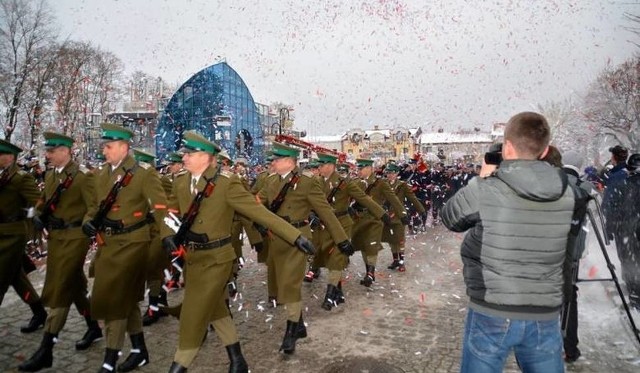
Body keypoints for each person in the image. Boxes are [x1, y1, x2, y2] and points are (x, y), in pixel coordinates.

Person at [160, 132, 316, 372]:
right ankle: (237, 359)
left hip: (218, 260)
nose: (185, 158)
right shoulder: (181, 180)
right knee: (217, 308)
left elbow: (260, 213)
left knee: (192, 315)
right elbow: (169, 211)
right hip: (194, 258)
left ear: (206, 157)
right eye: (185, 153)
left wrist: (296, 237)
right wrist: (167, 233)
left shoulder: (226, 184)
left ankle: (178, 365)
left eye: (190, 154)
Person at [441, 112, 576, 372]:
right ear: (546, 149)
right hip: (544, 312)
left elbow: (450, 218)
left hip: (492, 308)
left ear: (507, 147)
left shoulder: (487, 188)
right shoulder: (567, 191)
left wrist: (483, 178)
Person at [82, 123, 168, 373]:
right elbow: (94, 209)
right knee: (127, 299)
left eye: (108, 146)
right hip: (108, 245)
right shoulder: (100, 175)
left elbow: (161, 209)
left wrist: (168, 238)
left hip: (133, 244)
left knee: (114, 301)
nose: (104, 150)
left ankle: (109, 360)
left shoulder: (143, 173)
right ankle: (140, 350)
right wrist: (88, 222)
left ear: (123, 147)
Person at [19, 132, 103, 372]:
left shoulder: (82, 177)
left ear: (66, 151)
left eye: (52, 151)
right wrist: (37, 214)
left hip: (76, 237)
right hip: (56, 238)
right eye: (48, 151)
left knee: (62, 287)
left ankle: (47, 349)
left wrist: (88, 221)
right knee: (75, 285)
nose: (48, 155)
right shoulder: (50, 174)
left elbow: (93, 206)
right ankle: (94, 326)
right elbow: (44, 199)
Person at [256, 142, 350, 353]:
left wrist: (341, 239)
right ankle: (298, 326)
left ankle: (291, 331)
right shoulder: (270, 181)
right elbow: (255, 204)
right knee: (280, 284)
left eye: (277, 159)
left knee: (290, 285)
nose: (273, 162)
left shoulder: (307, 183)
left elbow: (325, 211)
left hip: (298, 240)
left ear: (289, 161)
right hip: (276, 240)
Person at [313, 151, 380, 310]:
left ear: (330, 166)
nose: (319, 168)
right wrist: (310, 215)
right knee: (328, 259)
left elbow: (364, 199)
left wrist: (382, 214)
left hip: (342, 224)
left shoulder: (345, 183)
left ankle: (329, 296)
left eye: (321, 165)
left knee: (336, 258)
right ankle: (338, 292)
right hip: (323, 226)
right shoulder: (315, 182)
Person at [0, 139, 47, 334]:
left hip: (13, 235)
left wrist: (30, 214)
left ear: (10, 157)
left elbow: (39, 200)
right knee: (16, 277)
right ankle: (39, 312)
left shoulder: (20, 178)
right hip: (2, 233)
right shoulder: (2, 176)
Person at [559, 150, 596, 364]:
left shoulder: (553, 183)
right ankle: (569, 346)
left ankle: (545, 342)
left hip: (551, 248)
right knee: (569, 297)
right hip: (572, 250)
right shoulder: (584, 188)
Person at [350, 158, 404, 287]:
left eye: (361, 169)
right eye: (357, 168)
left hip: (374, 218)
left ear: (369, 168)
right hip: (358, 219)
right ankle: (369, 271)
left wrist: (402, 214)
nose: (358, 171)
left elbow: (394, 199)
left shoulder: (380, 183)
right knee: (363, 246)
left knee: (371, 245)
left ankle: (370, 273)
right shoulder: (355, 183)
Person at [382, 162, 424, 272]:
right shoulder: (383, 184)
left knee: (400, 240)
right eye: (388, 173)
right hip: (387, 216)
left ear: (396, 174)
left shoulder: (402, 185)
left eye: (392, 173)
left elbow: (412, 198)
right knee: (391, 240)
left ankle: (401, 263)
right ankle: (395, 260)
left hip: (399, 215)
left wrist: (421, 210)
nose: (389, 175)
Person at [620, 153, 640, 310]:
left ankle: (635, 296)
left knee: (631, 262)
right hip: (633, 227)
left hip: (632, 229)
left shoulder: (627, 184)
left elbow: (621, 208)